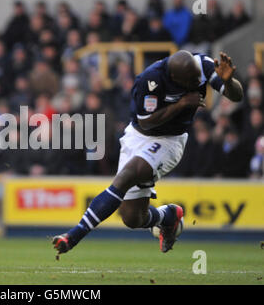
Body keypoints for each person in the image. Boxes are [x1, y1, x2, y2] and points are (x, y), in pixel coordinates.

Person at [53, 50, 243, 256]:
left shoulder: (202, 66)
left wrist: (229, 82)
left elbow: (237, 96)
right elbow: (146, 121)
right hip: (139, 135)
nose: (197, 83)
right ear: (175, 78)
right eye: (190, 81)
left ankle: (73, 236)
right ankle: (168, 217)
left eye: (197, 78)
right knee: (132, 218)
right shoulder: (150, 79)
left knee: (127, 176)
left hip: (170, 140)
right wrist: (181, 104)